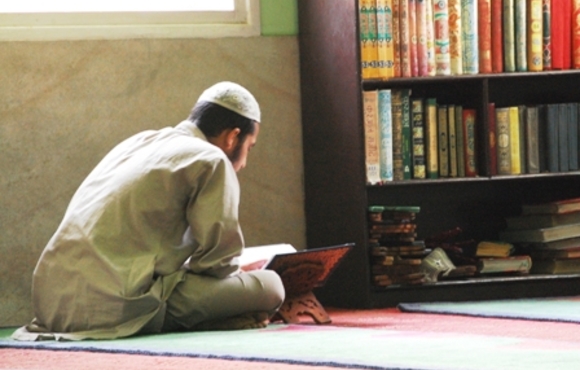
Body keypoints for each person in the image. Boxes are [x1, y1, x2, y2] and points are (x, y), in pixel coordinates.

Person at [13, 81, 285, 341]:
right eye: (249, 147)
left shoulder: (140, 141)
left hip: (52, 304)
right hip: (118, 305)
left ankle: (204, 319)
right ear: (232, 137)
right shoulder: (212, 159)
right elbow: (218, 265)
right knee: (272, 285)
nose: (245, 162)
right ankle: (195, 321)